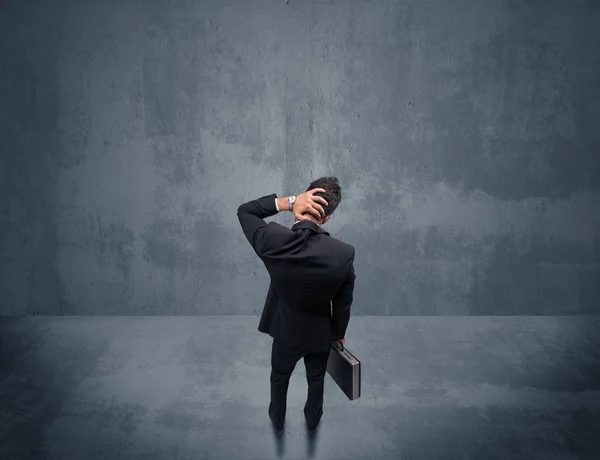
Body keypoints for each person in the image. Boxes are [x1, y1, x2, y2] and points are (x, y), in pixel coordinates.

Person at [237, 177, 356, 435]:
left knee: (279, 378)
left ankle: (277, 420)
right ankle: (313, 421)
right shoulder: (344, 254)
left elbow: (245, 211)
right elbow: (343, 303)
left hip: (285, 332)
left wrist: (289, 202)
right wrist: (338, 334)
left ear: (305, 199)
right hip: (320, 335)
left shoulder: (272, 239)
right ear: (327, 219)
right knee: (316, 381)